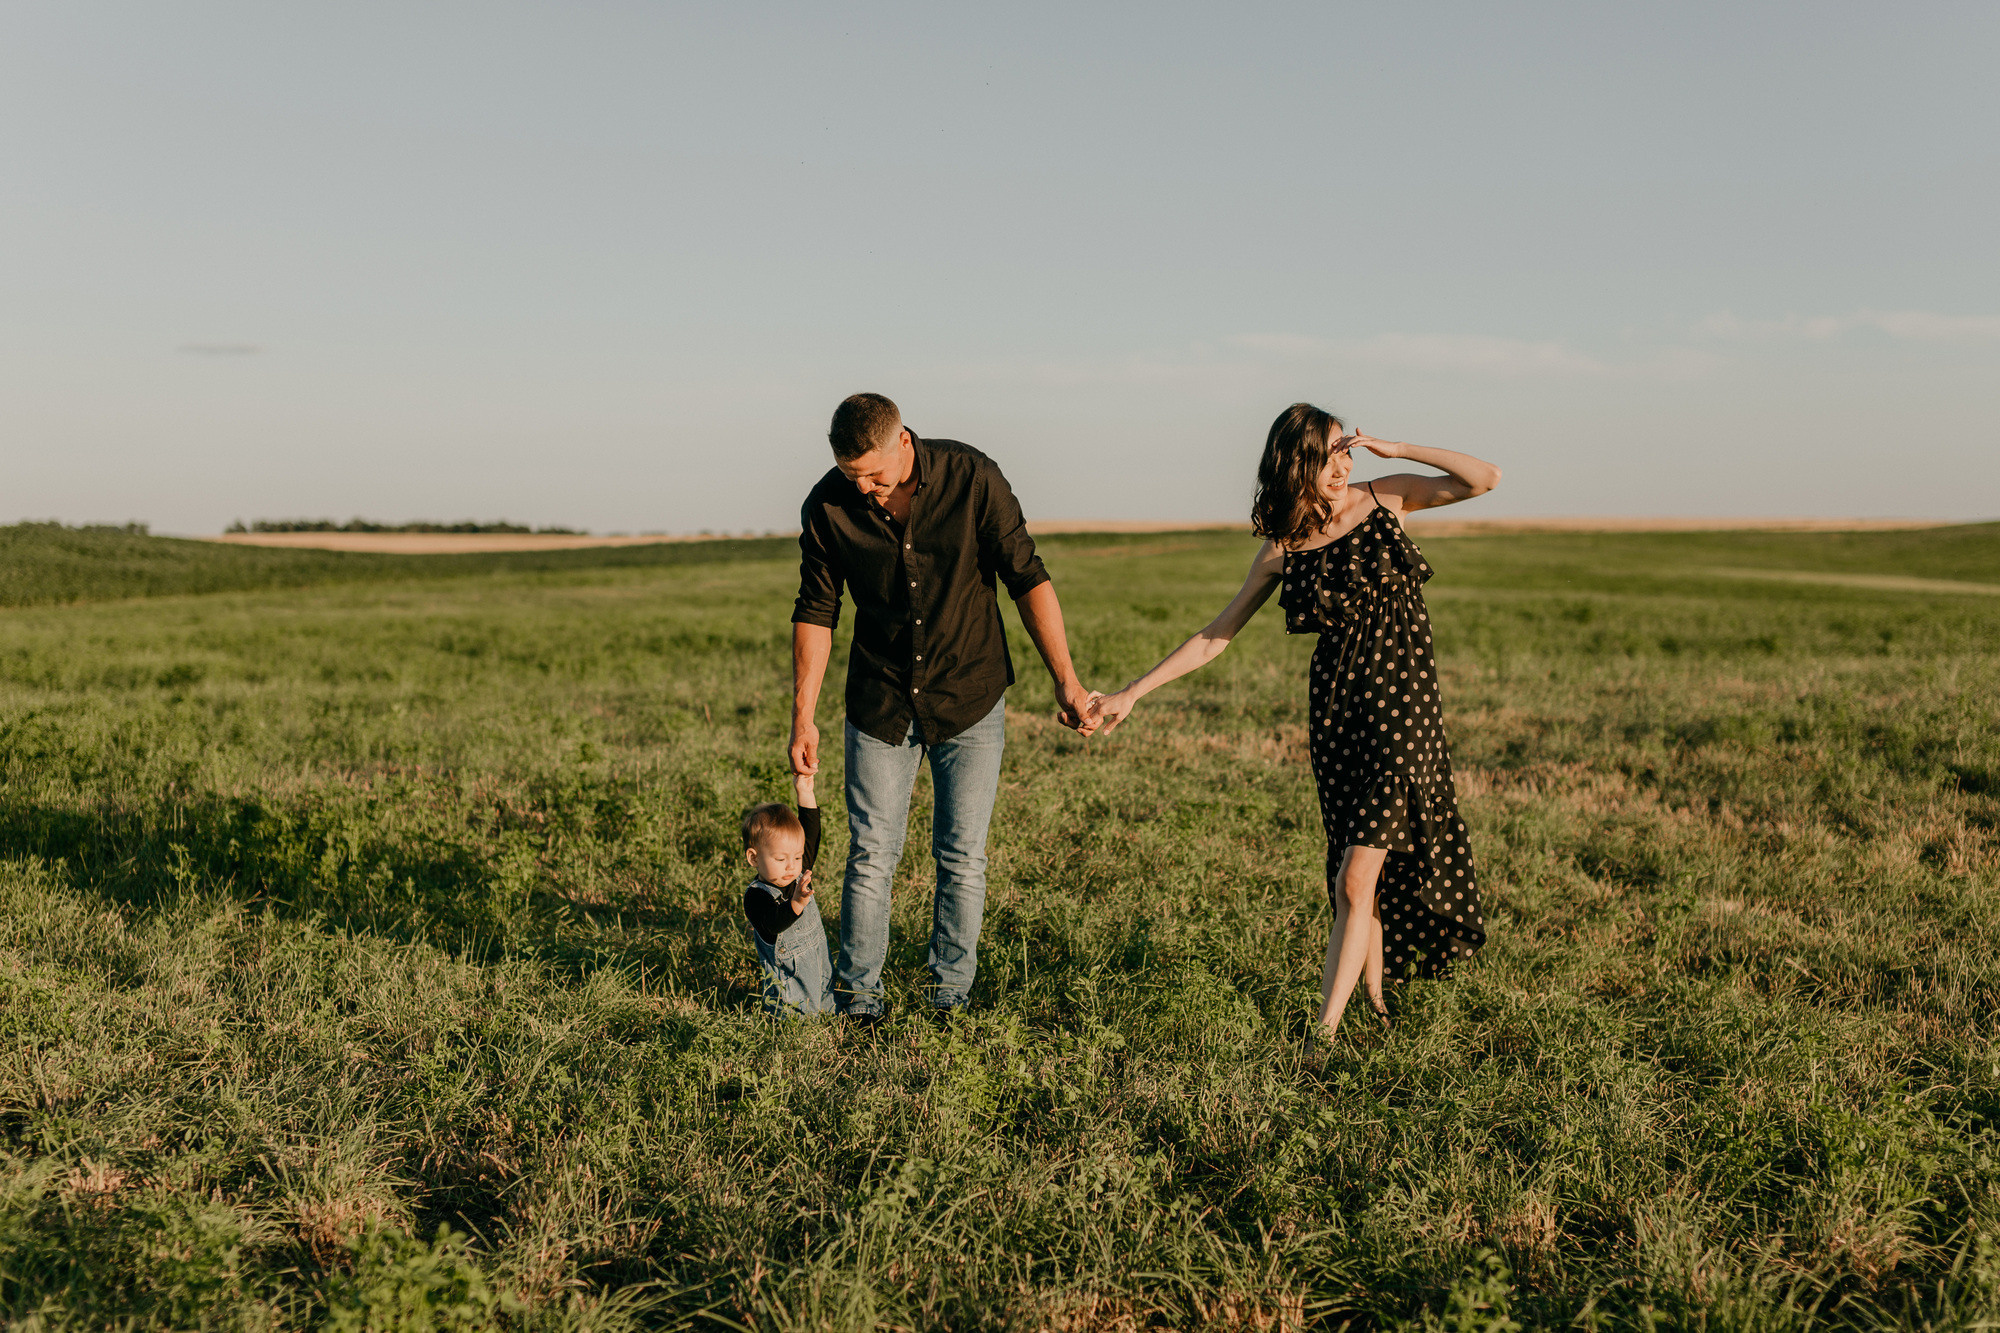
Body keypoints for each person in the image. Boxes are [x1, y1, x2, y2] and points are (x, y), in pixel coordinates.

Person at [1088, 403, 1500, 1040]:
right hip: (1338, 716)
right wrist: (1133, 692)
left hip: (1403, 710)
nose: (1342, 466)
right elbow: (1216, 635)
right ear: (1294, 465)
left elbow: (1484, 479)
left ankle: (1322, 1037)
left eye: (1344, 451)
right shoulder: (1284, 546)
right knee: (1357, 872)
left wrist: (1397, 448)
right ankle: (1375, 1002)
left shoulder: (1385, 498)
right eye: (1326, 455)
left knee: (1356, 876)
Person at [791, 392, 1097, 1024]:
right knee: (871, 856)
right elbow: (817, 610)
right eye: (852, 476)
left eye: (873, 474)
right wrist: (803, 715)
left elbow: (1026, 576)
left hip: (969, 692)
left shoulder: (972, 476)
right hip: (880, 700)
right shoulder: (826, 505)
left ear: (904, 442)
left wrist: (1066, 680)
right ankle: (859, 999)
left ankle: (950, 996)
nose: (864, 488)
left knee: (962, 857)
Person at [742, 773, 832, 1017]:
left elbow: (810, 832)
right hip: (789, 993)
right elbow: (773, 924)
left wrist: (805, 792)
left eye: (797, 856)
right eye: (781, 859)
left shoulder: (796, 872)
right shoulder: (756, 897)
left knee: (826, 1006)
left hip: (820, 969)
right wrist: (796, 903)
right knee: (798, 1021)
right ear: (754, 858)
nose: (792, 866)